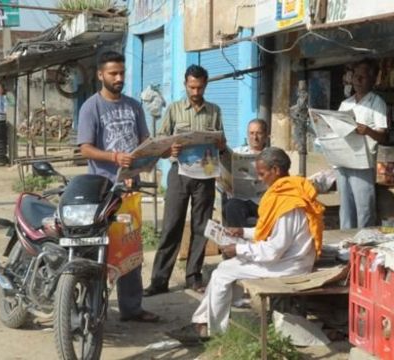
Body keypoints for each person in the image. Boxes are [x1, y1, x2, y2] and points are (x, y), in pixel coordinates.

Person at [167, 147, 325, 342]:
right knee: (224, 270)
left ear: (275, 170)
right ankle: (204, 323)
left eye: (262, 173)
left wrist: (239, 249)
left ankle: (209, 328)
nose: (259, 179)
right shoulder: (287, 192)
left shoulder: (288, 202)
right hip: (287, 259)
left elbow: (273, 250)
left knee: (224, 271)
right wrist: (243, 232)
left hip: (290, 266)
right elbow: (270, 233)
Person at [76, 51, 159, 323]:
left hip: (129, 190)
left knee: (130, 249)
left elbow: (145, 141)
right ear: (101, 74)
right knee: (97, 249)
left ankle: (131, 308)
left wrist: (161, 151)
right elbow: (85, 149)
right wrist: (113, 157)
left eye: (122, 73)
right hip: (101, 191)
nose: (119, 78)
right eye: (113, 73)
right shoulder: (91, 107)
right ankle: (91, 308)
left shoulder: (134, 106)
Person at [144, 65, 226, 296]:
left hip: (206, 174)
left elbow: (222, 141)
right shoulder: (174, 109)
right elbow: (160, 140)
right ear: (185, 84)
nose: (195, 92)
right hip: (179, 173)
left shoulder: (215, 111)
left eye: (199, 87)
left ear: (206, 85)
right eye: (191, 87)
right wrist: (171, 147)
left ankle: (193, 277)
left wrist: (220, 144)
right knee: (171, 225)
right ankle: (159, 281)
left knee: (202, 227)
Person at [336, 59, 387, 229]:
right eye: (356, 76)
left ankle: (364, 242)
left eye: (363, 77)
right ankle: (345, 245)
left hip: (363, 162)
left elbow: (383, 136)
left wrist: (367, 131)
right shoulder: (346, 103)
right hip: (343, 160)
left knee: (364, 208)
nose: (358, 81)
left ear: (372, 80)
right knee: (346, 207)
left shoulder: (377, 103)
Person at [223, 118, 268, 228]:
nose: (255, 137)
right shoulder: (237, 153)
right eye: (251, 133)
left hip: (264, 201)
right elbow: (225, 173)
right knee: (231, 206)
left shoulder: (273, 154)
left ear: (266, 135)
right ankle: (238, 242)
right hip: (241, 199)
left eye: (259, 133)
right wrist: (226, 185)